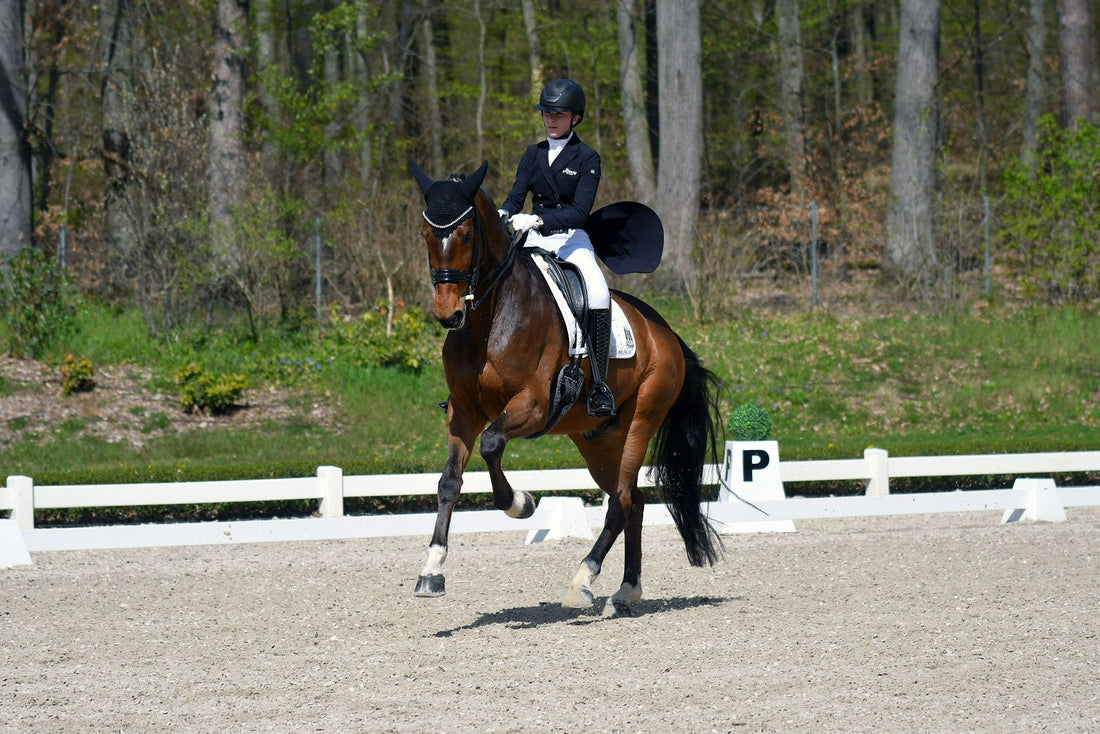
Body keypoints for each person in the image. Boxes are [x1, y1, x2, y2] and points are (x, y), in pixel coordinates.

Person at [498, 78, 615, 418]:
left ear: (575, 117)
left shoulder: (587, 157)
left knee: (598, 293)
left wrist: (537, 221)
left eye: (559, 114)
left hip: (571, 238)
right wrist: (504, 212)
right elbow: (516, 196)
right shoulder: (532, 154)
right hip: (534, 240)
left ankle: (599, 386)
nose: (551, 119)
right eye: (547, 113)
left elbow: (580, 212)